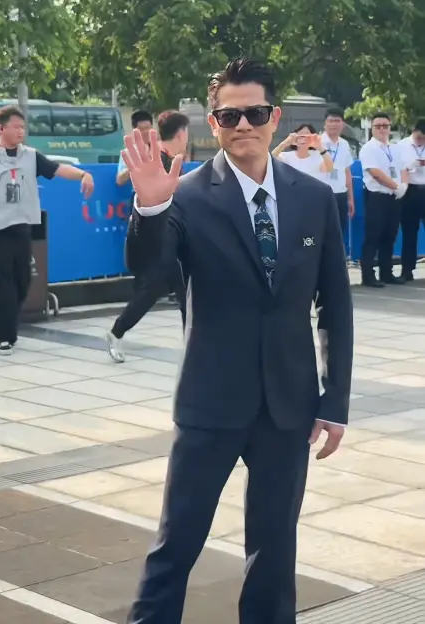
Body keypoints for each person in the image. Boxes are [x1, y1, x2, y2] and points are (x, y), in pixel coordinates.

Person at [122, 58, 353, 624]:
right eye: (229, 115)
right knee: (176, 547)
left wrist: (336, 399)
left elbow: (335, 304)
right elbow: (149, 271)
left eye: (254, 113)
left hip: (288, 406)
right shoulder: (186, 195)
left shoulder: (313, 197)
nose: (243, 124)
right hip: (211, 402)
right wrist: (151, 209)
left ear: (275, 117)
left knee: (274, 553)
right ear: (214, 122)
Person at [0, 105, 94, 354]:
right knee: (1, 281)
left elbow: (57, 169)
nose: (21, 132)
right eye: (16, 127)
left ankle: (3, 324)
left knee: (22, 280)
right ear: (1, 128)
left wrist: (83, 175)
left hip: (21, 226)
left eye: (23, 127)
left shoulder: (30, 156)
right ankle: (4, 335)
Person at [106, 110, 189, 363]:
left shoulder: (168, 158)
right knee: (156, 287)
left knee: (183, 288)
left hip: (170, 233)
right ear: (181, 133)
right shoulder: (156, 159)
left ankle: (193, 346)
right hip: (157, 233)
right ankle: (117, 331)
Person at [359, 112, 408, 287]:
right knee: (373, 236)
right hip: (377, 196)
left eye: (385, 126)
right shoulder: (369, 148)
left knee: (390, 236)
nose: (381, 129)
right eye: (378, 126)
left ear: (389, 127)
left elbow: (403, 168)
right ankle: (368, 275)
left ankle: (386, 272)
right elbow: (375, 173)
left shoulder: (395, 148)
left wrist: (404, 186)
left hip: (394, 197)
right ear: (372, 128)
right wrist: (396, 186)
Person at [397, 118, 425, 281]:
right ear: (413, 131)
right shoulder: (401, 146)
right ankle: (407, 270)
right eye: (419, 138)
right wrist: (408, 167)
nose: (421, 141)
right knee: (409, 232)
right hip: (410, 190)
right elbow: (397, 168)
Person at [321, 108, 355, 238]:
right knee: (322, 231)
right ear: (325, 123)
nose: (334, 124)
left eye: (337, 121)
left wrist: (350, 199)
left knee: (339, 232)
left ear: (343, 124)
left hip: (341, 194)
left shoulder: (344, 144)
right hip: (322, 194)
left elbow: (347, 172)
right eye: (330, 121)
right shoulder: (316, 143)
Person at [116, 110, 153, 186]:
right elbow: (119, 180)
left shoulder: (160, 149)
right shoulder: (128, 152)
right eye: (141, 129)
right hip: (140, 190)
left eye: (148, 128)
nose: (146, 132)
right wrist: (133, 166)